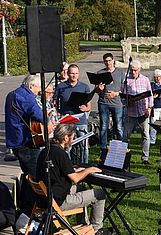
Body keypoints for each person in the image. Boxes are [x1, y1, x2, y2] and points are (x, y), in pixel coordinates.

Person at [36, 124, 110, 235]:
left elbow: (60, 171)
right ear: (65, 138)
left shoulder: (45, 150)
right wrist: (88, 170)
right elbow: (75, 179)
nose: (73, 140)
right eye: (72, 138)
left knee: (81, 188)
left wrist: (76, 170)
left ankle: (84, 224)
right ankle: (96, 229)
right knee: (100, 194)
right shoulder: (61, 154)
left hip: (43, 198)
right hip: (58, 201)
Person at [5, 74, 54, 215]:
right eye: (38, 88)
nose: (39, 91)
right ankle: (29, 211)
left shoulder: (12, 94)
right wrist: (48, 123)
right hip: (26, 144)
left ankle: (24, 208)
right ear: (31, 85)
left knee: (27, 176)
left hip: (15, 142)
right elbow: (39, 114)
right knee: (34, 177)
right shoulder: (27, 96)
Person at [55, 64, 91, 164]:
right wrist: (58, 112)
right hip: (67, 120)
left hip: (81, 120)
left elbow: (89, 107)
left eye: (76, 73)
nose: (74, 76)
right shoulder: (61, 86)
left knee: (84, 146)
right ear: (67, 73)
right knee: (67, 145)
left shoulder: (84, 87)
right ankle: (68, 165)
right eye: (72, 73)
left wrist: (85, 108)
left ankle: (85, 164)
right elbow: (55, 102)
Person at [122, 60, 153, 165]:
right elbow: (122, 95)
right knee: (125, 136)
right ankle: (124, 158)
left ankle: (145, 158)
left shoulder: (145, 80)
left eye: (135, 70)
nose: (133, 72)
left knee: (145, 135)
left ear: (139, 69)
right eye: (131, 70)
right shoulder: (126, 80)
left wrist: (149, 108)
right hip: (130, 112)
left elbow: (150, 95)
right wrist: (127, 101)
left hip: (143, 111)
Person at [96, 53, 125, 152]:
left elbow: (125, 89)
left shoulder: (120, 73)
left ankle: (120, 147)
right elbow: (96, 91)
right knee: (104, 126)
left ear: (113, 61)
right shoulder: (100, 73)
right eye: (106, 61)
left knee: (119, 126)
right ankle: (103, 147)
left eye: (109, 60)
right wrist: (99, 89)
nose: (108, 63)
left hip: (117, 103)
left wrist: (116, 93)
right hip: (103, 103)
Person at [150, 69, 161, 145]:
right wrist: (153, 97)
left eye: (159, 76)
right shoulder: (151, 85)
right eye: (156, 77)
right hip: (155, 107)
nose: (158, 78)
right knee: (154, 124)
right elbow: (148, 95)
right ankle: (152, 140)